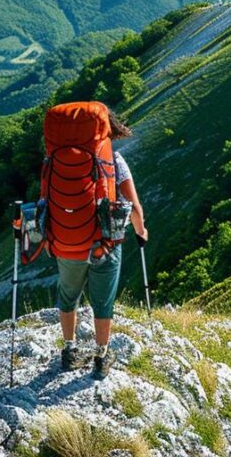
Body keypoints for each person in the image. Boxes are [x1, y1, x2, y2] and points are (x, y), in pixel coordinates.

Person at [55, 113, 149, 378]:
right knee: (103, 301)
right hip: (105, 244)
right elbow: (134, 206)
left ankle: (69, 351)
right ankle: (102, 355)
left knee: (67, 296)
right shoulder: (114, 160)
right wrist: (141, 231)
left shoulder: (56, 158)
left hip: (68, 241)